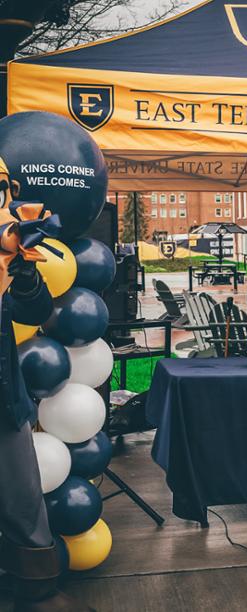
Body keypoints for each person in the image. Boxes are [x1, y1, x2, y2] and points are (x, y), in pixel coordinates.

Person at [0, 160, 93, 612]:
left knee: (22, 495)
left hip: (4, 395)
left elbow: (32, 313)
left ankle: (35, 588)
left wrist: (25, 275)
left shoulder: (9, 239)